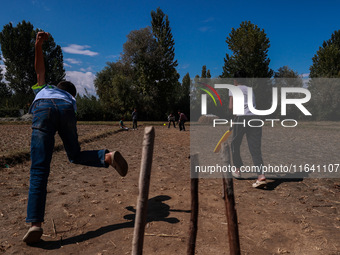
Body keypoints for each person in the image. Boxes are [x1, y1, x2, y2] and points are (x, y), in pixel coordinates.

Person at [23, 32, 128, 244]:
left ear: (58, 86)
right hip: (66, 111)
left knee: (39, 170)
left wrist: (38, 45)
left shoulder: (45, 88)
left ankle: (35, 224)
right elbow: (69, 123)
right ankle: (106, 157)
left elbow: (39, 70)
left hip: (43, 109)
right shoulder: (70, 99)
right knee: (75, 154)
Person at [229, 70, 266, 188]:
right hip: (255, 118)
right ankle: (261, 176)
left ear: (235, 81)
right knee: (255, 148)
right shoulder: (250, 89)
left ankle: (237, 169)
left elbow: (231, 106)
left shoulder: (233, 88)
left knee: (235, 144)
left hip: (241, 118)